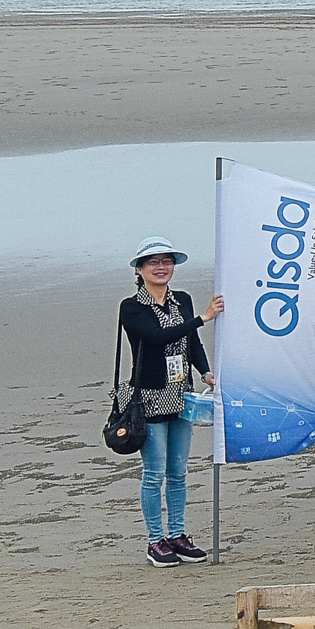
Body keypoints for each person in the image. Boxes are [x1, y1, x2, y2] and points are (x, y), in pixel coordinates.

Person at [121, 236, 221, 565]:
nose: (162, 267)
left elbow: (191, 342)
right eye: (153, 262)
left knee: (178, 471)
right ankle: (155, 540)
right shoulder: (131, 307)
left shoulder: (183, 300)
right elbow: (158, 336)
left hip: (181, 393)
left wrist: (205, 371)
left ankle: (177, 535)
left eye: (167, 261)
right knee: (154, 472)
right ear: (140, 269)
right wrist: (204, 317)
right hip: (149, 397)